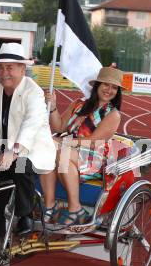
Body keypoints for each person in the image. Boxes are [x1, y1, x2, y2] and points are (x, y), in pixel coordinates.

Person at [0, 42, 56, 266]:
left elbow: (31, 124)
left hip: (31, 148)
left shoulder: (33, 92)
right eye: (1, 67)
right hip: (4, 153)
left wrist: (14, 150)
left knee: (21, 164)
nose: (5, 73)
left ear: (23, 69)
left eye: (11, 67)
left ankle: (26, 212)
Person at [40, 67, 124, 225]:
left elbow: (93, 141)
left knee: (59, 151)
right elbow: (58, 127)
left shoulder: (113, 114)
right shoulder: (78, 104)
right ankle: (50, 205)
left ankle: (75, 208)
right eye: (106, 84)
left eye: (114, 87)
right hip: (70, 152)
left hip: (95, 157)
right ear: (97, 85)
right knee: (49, 152)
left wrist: (64, 142)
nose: (109, 90)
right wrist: (52, 107)